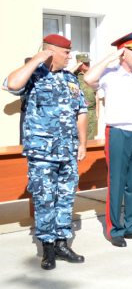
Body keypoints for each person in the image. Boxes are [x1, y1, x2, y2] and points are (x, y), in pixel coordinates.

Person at [4, 35, 88, 269]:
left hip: (68, 152)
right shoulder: (33, 75)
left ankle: (62, 245)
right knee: (44, 199)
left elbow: (81, 111)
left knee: (66, 198)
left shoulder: (71, 79)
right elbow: (12, 84)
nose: (69, 56)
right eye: (66, 52)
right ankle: (47, 249)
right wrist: (36, 60)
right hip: (42, 154)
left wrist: (82, 143)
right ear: (51, 52)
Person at [83, 30, 132, 247]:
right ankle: (115, 230)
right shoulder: (109, 75)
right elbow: (88, 78)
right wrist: (109, 58)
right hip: (118, 133)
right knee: (117, 183)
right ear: (122, 53)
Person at [71, 53, 98, 141]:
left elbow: (96, 94)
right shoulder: (73, 75)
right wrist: (76, 67)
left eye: (88, 62)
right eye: (85, 63)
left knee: (90, 137)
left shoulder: (92, 75)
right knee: (79, 136)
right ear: (79, 63)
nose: (87, 64)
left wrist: (97, 111)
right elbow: (64, 77)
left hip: (91, 110)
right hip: (78, 111)